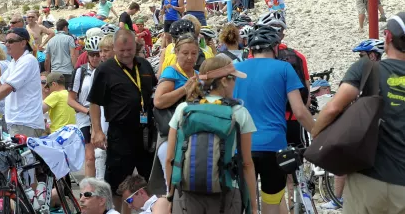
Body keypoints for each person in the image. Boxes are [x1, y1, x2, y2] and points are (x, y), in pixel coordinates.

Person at [312, 14, 405, 214]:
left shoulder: (367, 67)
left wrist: (315, 134)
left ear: (387, 37)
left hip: (368, 177)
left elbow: (333, 108)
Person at [233, 26, 314, 214]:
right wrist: (319, 133)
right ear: (275, 47)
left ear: (251, 49)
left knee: (246, 204)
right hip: (273, 145)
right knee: (272, 203)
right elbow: (299, 111)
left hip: (242, 146)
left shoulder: (235, 69)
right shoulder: (284, 68)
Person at [165, 54, 259, 212]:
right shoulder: (239, 112)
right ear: (224, 81)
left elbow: (169, 159)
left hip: (186, 194)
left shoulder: (183, 109)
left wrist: (170, 196)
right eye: (233, 79)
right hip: (227, 193)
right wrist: (253, 206)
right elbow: (247, 164)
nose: (235, 84)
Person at [88, 29, 156, 192]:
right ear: (115, 49)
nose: (126, 54)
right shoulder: (105, 69)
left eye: (129, 50)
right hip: (120, 134)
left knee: (148, 182)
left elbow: (154, 90)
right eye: (121, 51)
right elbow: (94, 102)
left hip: (146, 133)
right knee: (117, 185)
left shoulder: (144, 65)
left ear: (135, 46)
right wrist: (97, 130)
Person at [0, 27, 45, 137]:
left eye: (11, 41)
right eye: (6, 41)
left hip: (25, 123)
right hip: (16, 121)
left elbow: (7, 87)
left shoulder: (28, 60)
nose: (7, 44)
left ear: (23, 43)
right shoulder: (14, 62)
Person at [151, 34, 198, 192]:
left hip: (192, 135)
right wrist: (185, 89)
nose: (190, 57)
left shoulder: (197, 74)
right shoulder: (171, 73)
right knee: (173, 185)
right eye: (185, 53)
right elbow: (158, 101)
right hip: (171, 135)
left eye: (194, 53)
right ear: (176, 53)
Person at [71, 35, 102, 178]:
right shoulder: (80, 71)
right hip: (84, 115)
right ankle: (89, 190)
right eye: (91, 54)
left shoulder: (106, 70)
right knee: (90, 157)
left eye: (98, 54)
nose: (95, 58)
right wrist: (87, 111)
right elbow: (70, 100)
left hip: (103, 115)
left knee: (101, 154)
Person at [44, 19, 76, 87]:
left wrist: (48, 73)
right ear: (65, 27)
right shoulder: (69, 38)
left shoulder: (50, 41)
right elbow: (73, 55)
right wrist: (75, 69)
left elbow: (47, 59)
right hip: (67, 72)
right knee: (67, 95)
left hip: (54, 73)